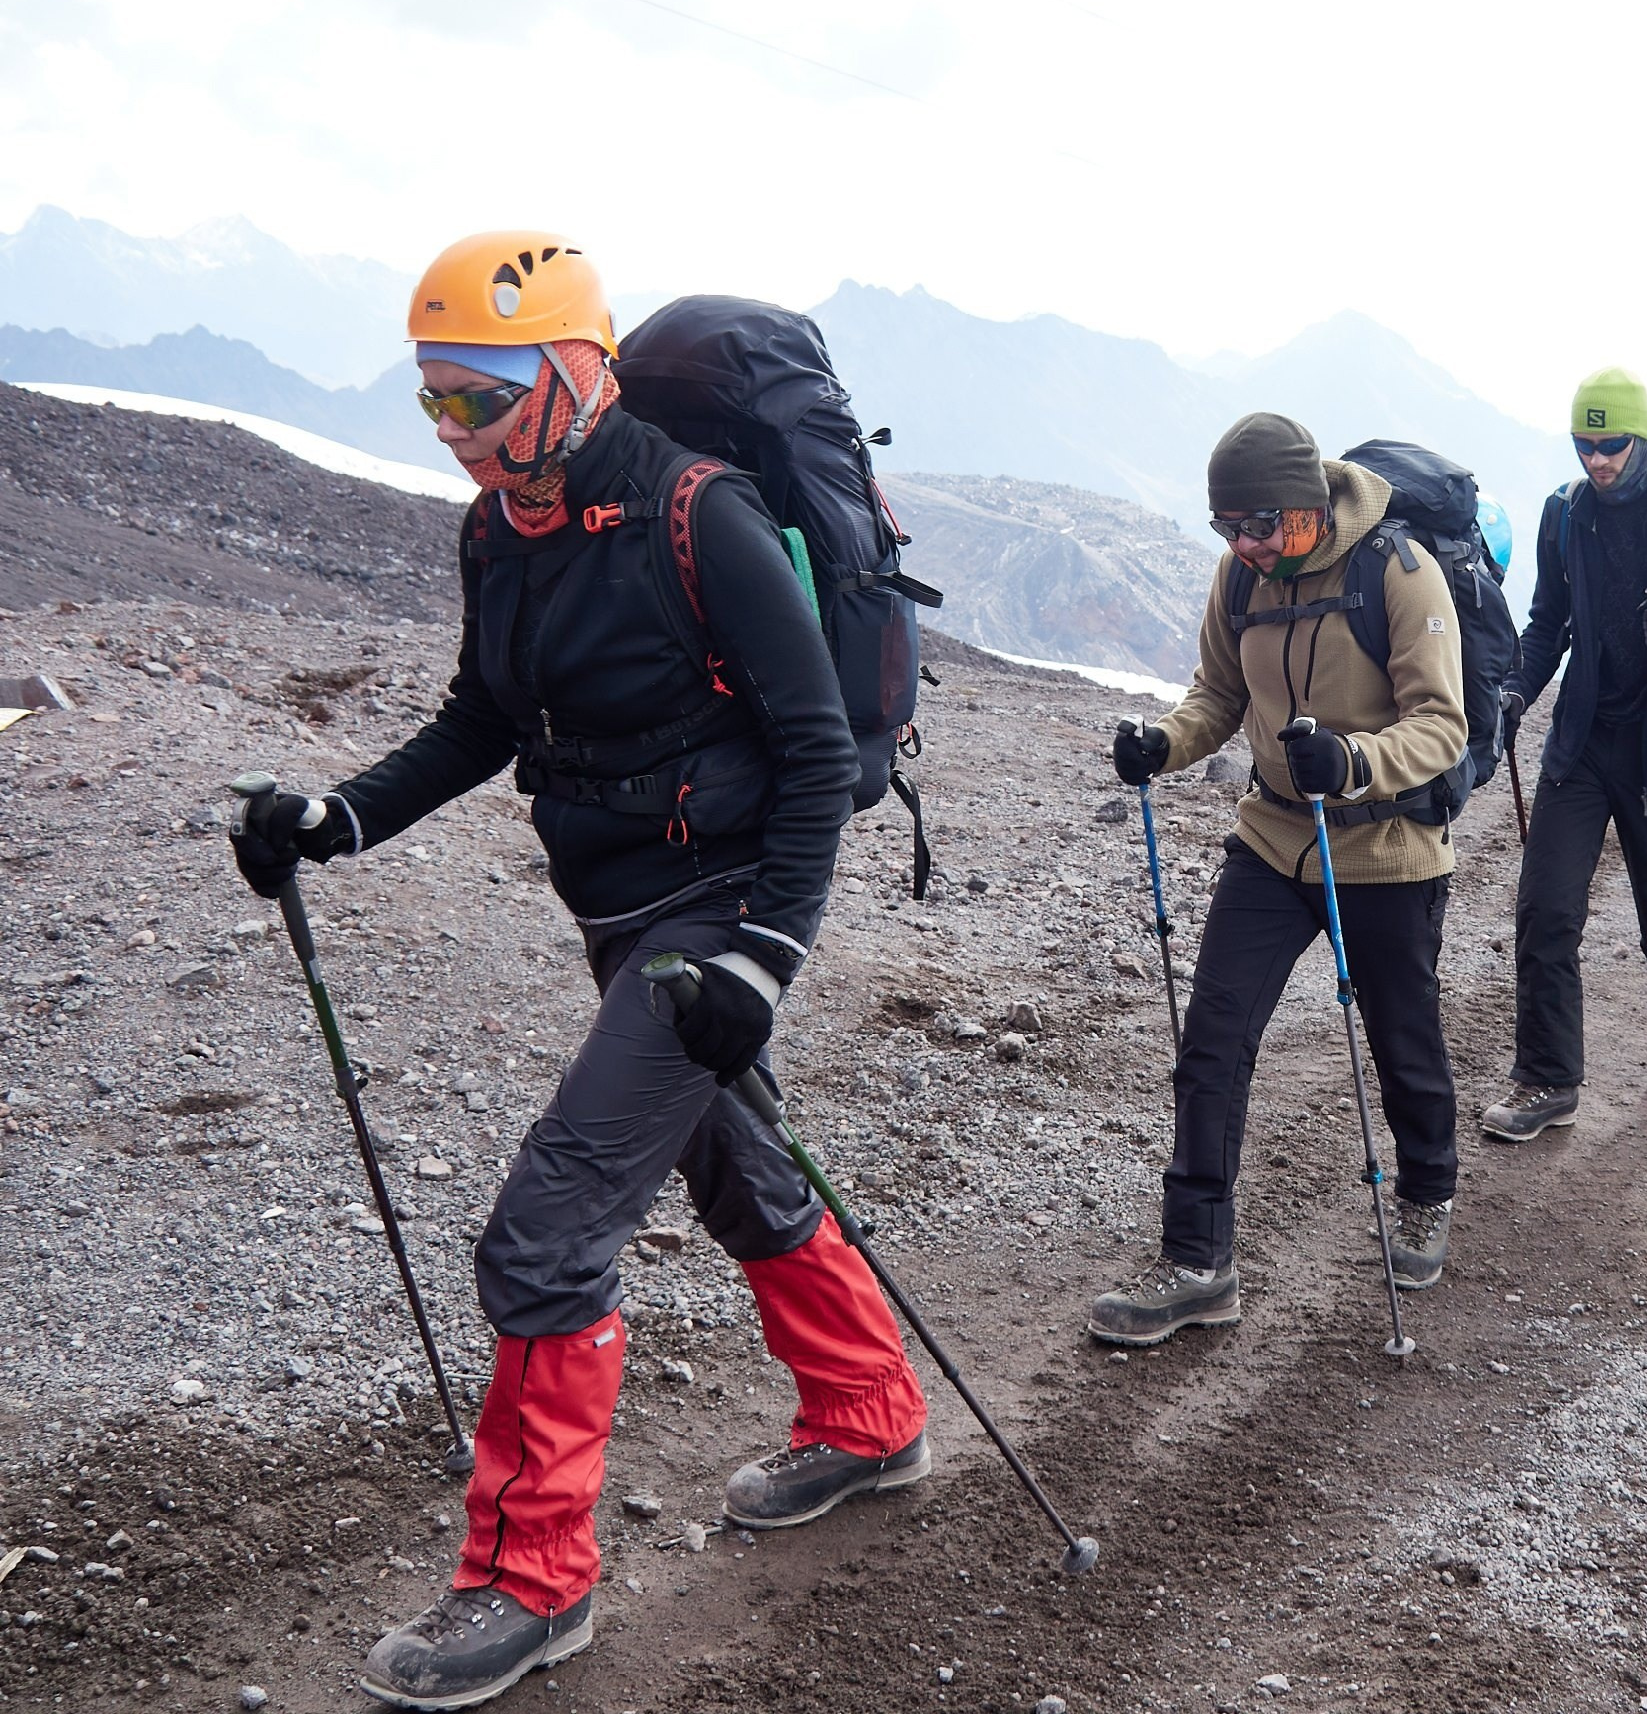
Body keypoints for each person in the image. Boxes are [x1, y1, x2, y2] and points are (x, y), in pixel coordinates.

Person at [227, 235, 929, 1710]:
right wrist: (339, 815)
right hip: (625, 912)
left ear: (571, 368)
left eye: (475, 395)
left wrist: (765, 957)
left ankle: (533, 1584)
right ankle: (871, 1412)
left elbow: (811, 753)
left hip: (717, 911)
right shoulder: (502, 528)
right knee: (740, 1175)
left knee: (545, 1237)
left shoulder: (701, 515)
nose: (454, 430)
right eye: (432, 400)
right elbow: (483, 714)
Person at [1096, 413, 1466, 1343]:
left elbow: (1441, 724)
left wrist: (1350, 761)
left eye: (1262, 525)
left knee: (1402, 1041)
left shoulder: (1400, 572)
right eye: (1229, 529)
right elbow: (1219, 696)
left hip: (1385, 849)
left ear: (1307, 504)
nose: (1249, 547)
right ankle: (1197, 1261)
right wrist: (1164, 742)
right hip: (1271, 840)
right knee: (1213, 1042)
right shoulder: (1241, 577)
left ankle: (1426, 1191)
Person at [1477, 368, 1647, 1143]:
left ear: (1642, 439)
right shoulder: (1565, 514)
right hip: (1586, 739)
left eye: (1612, 445)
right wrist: (1516, 690)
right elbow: (1547, 623)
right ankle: (1548, 1078)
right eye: (1584, 445)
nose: (1597, 461)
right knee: (1544, 908)